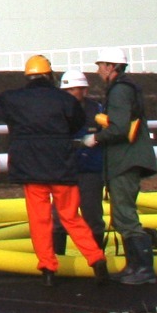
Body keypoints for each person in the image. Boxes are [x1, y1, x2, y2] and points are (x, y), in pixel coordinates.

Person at [0, 55, 110, 286]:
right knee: (70, 217)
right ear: (50, 75)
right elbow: (77, 123)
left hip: (31, 168)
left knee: (39, 220)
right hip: (62, 167)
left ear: (28, 77)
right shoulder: (64, 100)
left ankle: (48, 269)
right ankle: (97, 260)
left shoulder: (13, 99)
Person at [94, 47, 157, 285]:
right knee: (123, 215)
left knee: (125, 216)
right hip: (127, 159)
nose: (98, 70)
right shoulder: (126, 88)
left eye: (101, 65)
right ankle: (134, 266)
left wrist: (96, 138)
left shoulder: (120, 91)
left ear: (112, 66)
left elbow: (119, 127)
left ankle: (142, 269)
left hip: (125, 161)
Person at [48, 69, 106, 261]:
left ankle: (98, 258)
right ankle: (59, 259)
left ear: (85, 90)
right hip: (64, 171)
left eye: (77, 89)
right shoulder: (56, 112)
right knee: (59, 218)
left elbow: (109, 133)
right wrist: (80, 142)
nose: (73, 94)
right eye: (69, 90)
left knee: (92, 216)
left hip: (90, 170)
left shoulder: (96, 110)